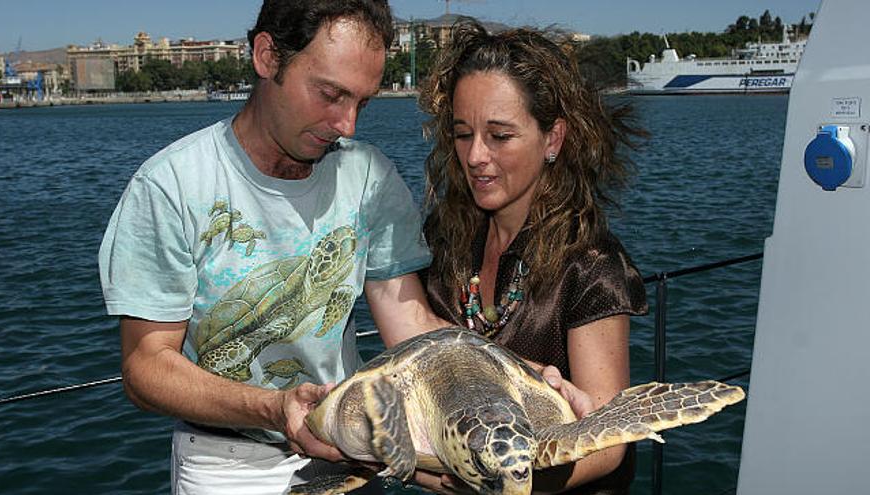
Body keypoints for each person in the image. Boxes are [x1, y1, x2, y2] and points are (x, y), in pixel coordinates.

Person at [98, 1, 449, 493]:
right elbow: (145, 368)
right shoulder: (171, 185)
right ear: (267, 57)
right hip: (224, 466)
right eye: (330, 94)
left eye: (362, 103)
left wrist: (512, 383)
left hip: (348, 458)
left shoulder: (369, 176)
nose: (347, 124)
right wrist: (272, 407)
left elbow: (410, 327)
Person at [417, 21, 648, 494]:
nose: (476, 155)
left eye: (499, 136)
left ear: (552, 139)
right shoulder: (445, 238)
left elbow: (608, 446)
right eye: (463, 134)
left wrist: (503, 486)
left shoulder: (591, 264)